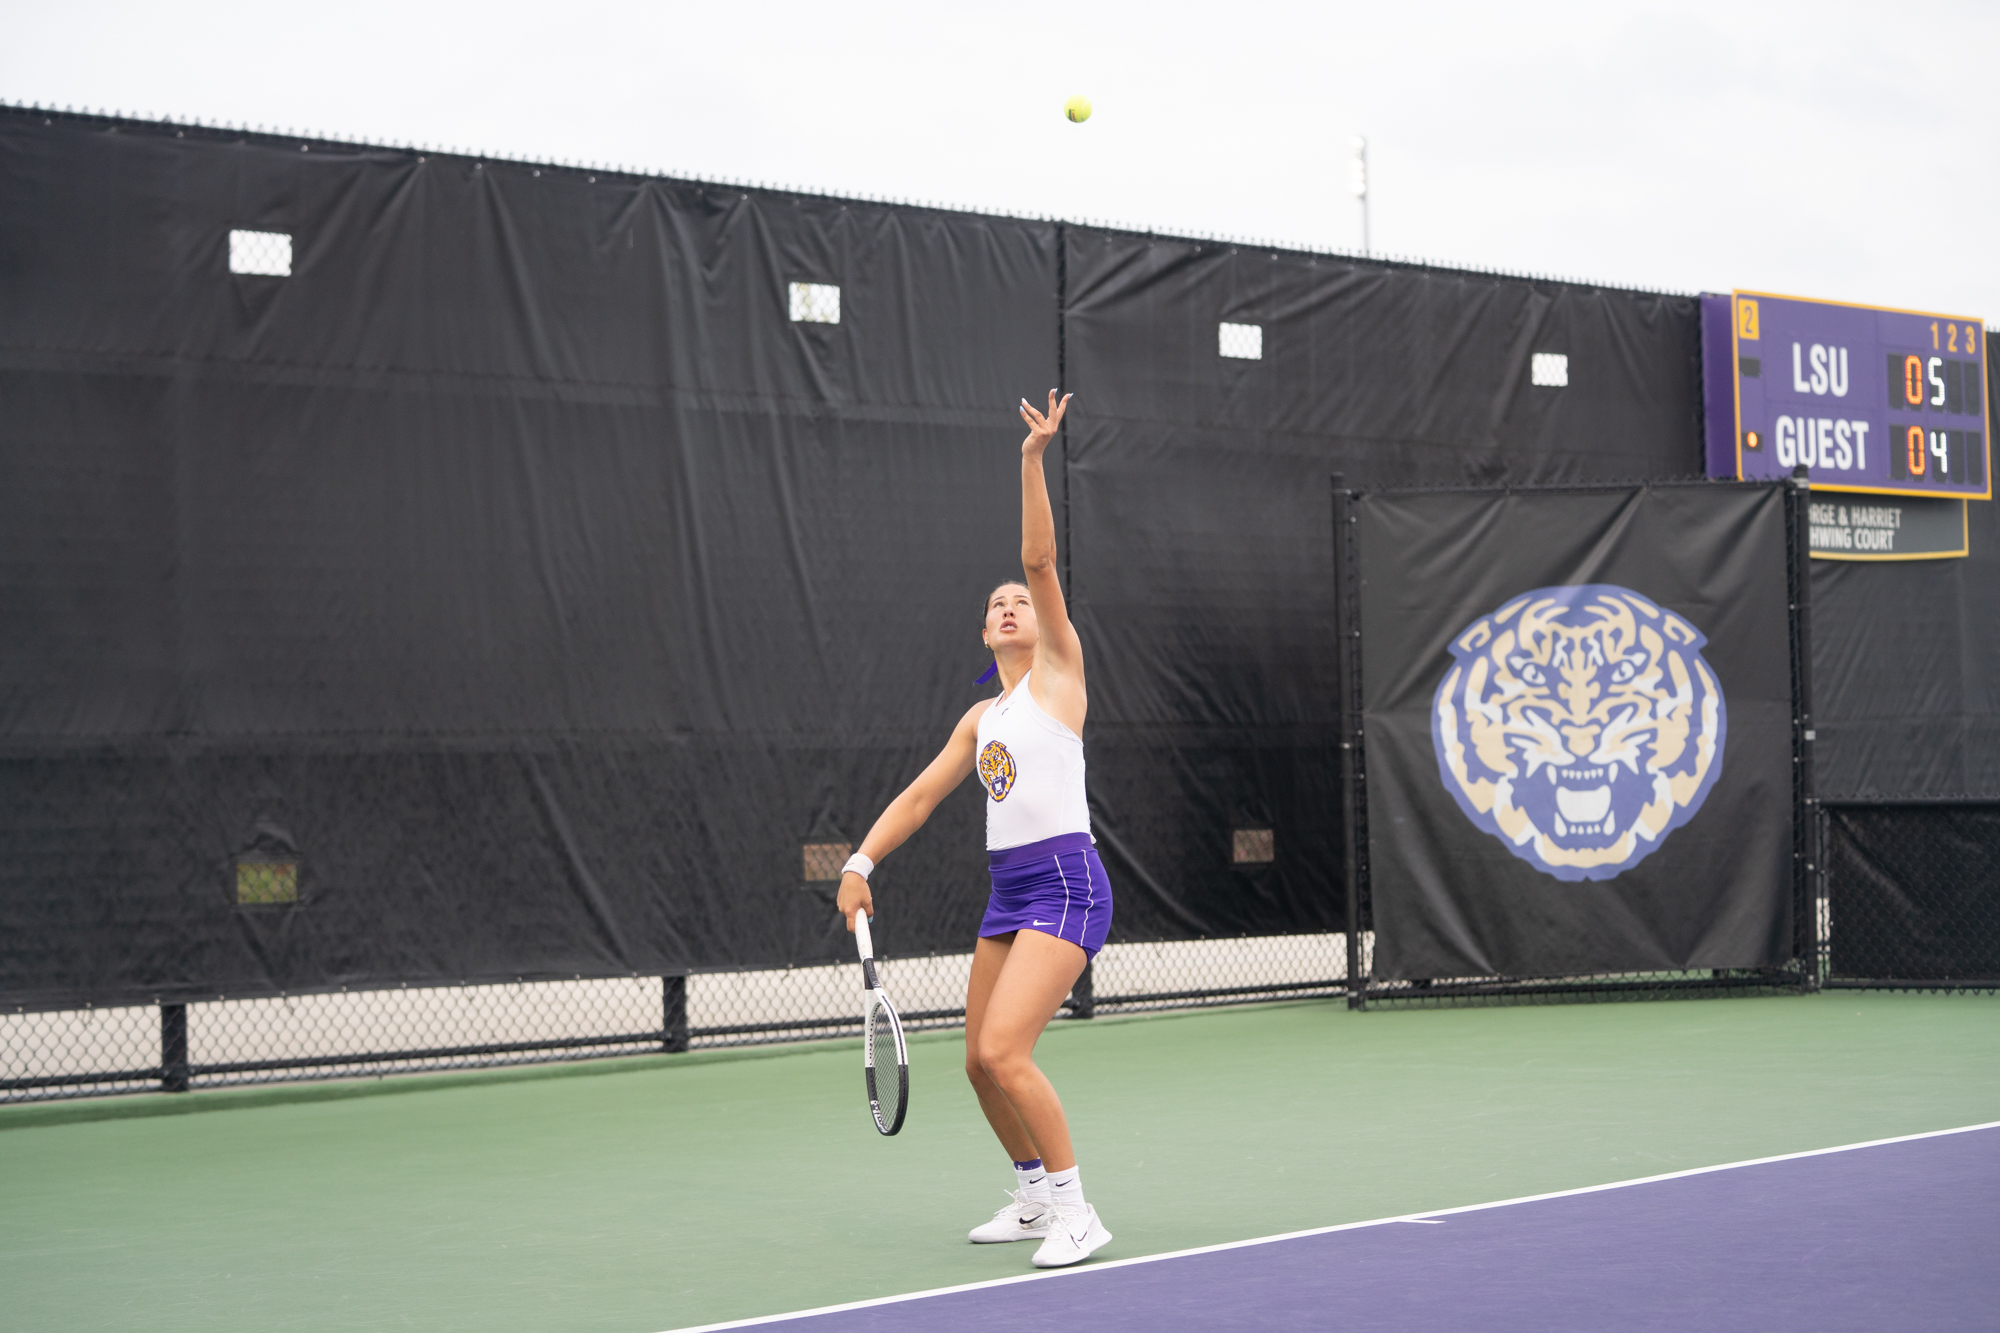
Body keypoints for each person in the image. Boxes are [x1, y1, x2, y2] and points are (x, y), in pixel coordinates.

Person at [836, 389, 1114, 1269]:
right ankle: (1034, 1195)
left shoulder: (1060, 676)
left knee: (1006, 1046)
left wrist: (1032, 459)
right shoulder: (982, 717)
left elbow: (1038, 558)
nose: (1009, 606)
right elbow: (919, 798)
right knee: (975, 1063)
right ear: (981, 630)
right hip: (1010, 892)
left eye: (1019, 602)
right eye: (995, 603)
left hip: (1067, 881)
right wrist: (860, 860)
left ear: (1043, 625)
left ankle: (1078, 1209)